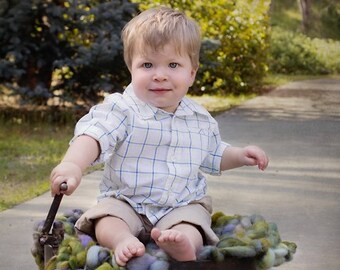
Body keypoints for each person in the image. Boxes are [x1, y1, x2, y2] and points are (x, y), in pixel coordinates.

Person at [50, 6, 269, 267]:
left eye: (173, 64)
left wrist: (239, 155)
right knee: (106, 218)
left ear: (192, 73)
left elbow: (213, 154)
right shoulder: (121, 109)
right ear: (131, 69)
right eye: (147, 65)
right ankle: (121, 240)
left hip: (180, 204)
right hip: (126, 201)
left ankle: (182, 243)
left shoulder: (199, 119)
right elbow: (94, 136)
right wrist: (73, 164)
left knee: (194, 222)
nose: (160, 74)